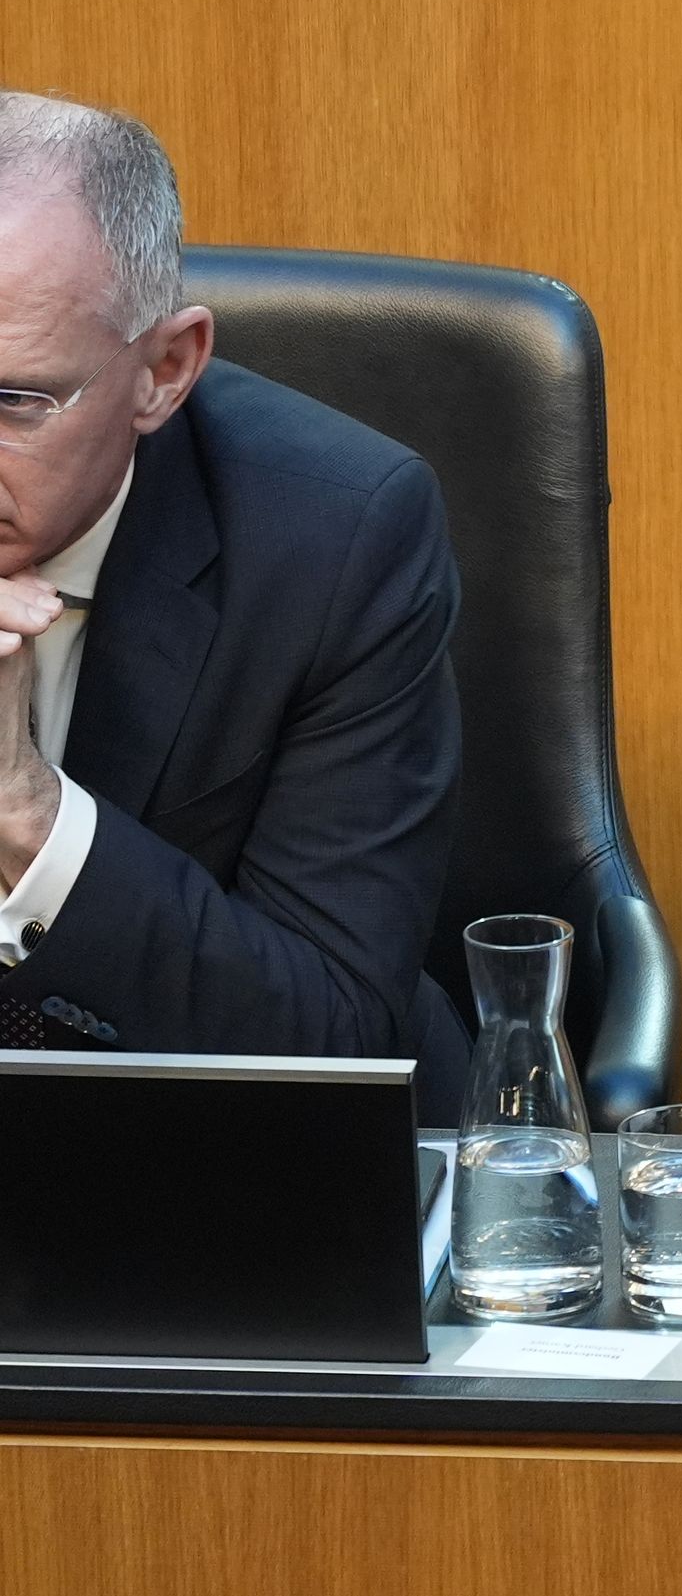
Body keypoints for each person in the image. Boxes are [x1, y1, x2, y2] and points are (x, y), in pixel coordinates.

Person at [0, 94, 465, 1085]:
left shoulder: (336, 543)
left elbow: (333, 1041)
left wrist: (24, 811)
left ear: (165, 370)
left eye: (12, 402)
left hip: (227, 1175)